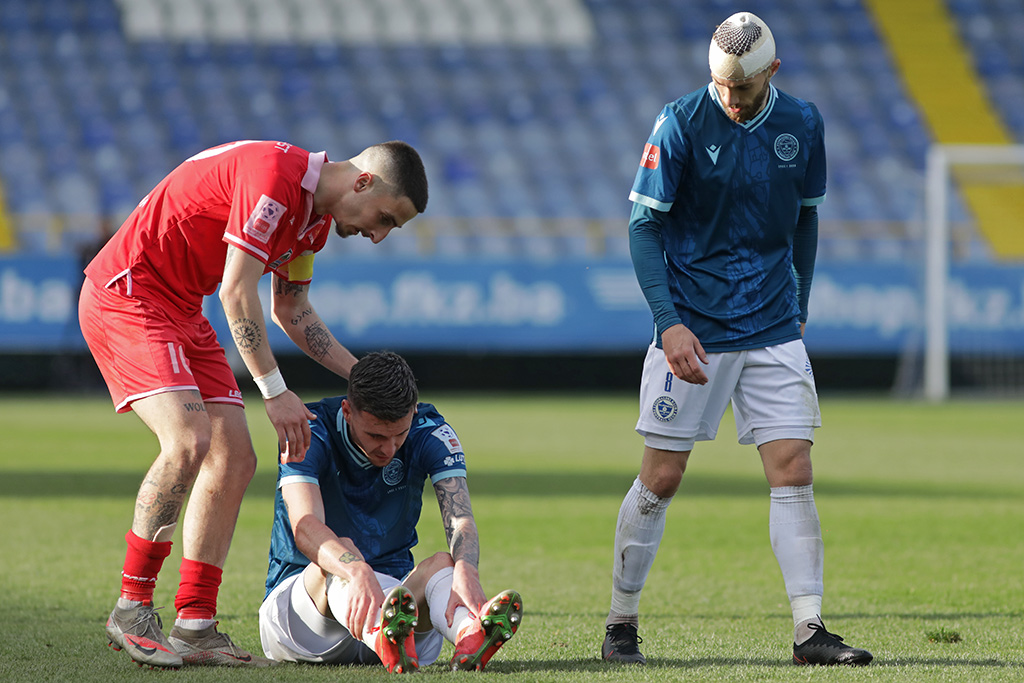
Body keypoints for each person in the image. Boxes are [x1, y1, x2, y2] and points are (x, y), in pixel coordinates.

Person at [78, 139, 429, 669]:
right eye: (384, 218)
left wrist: (364, 379)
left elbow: (292, 310)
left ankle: (195, 625)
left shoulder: (313, 222)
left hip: (180, 308)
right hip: (130, 294)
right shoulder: (276, 177)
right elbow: (236, 293)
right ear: (362, 181)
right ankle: (132, 608)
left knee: (236, 459)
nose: (377, 235)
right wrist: (275, 391)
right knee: (189, 440)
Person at [600, 12, 872, 667]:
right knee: (662, 477)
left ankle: (810, 630)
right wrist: (668, 322)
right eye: (721, 85)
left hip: (775, 324)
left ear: (770, 73)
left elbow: (806, 220)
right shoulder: (680, 121)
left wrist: (799, 301)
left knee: (794, 470)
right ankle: (620, 623)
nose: (730, 97)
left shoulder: (803, 124)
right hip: (695, 327)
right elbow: (643, 228)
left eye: (742, 89)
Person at [258, 350, 523, 673]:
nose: (389, 448)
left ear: (412, 412)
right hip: (303, 624)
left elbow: (460, 517)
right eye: (376, 435)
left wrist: (467, 570)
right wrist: (355, 570)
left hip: (400, 617)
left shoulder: (431, 431)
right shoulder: (309, 429)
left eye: (400, 434)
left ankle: (469, 632)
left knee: (444, 562)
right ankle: (383, 629)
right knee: (339, 555)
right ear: (348, 411)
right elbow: (305, 526)